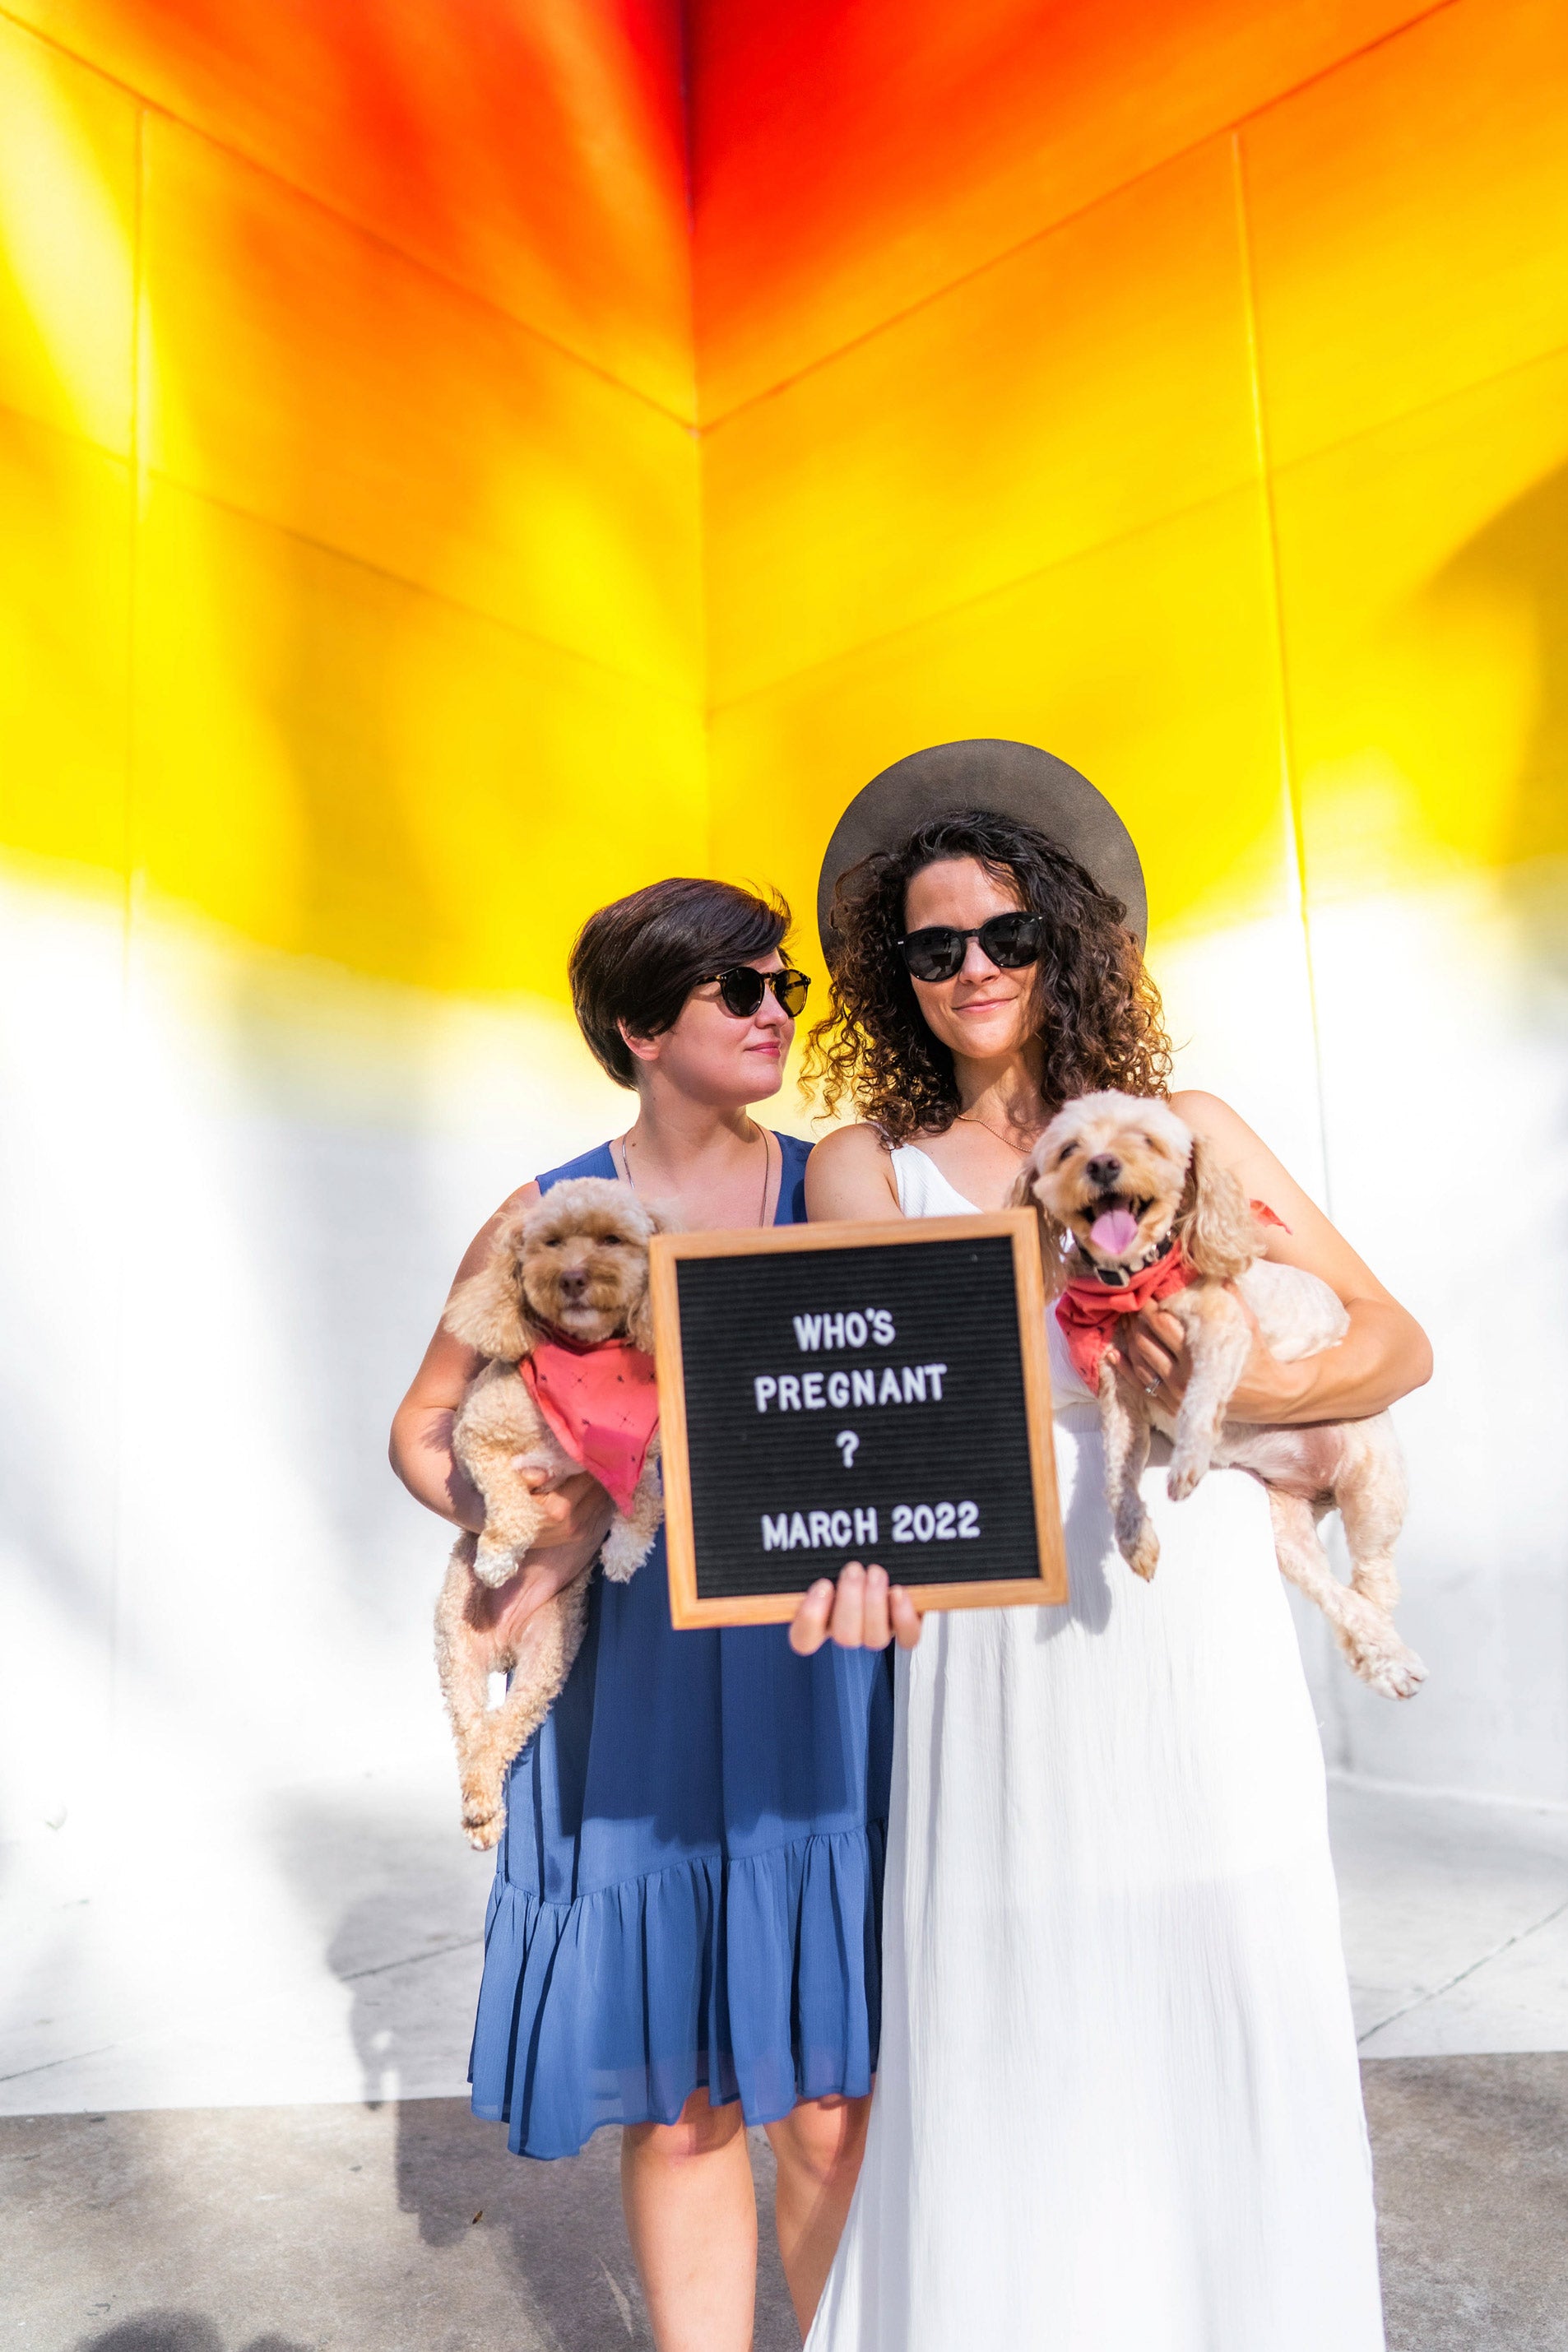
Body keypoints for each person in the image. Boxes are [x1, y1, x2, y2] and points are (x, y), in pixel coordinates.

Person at [790, 745, 1431, 2351]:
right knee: (1008, 2001)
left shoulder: (1189, 1128)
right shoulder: (869, 1163)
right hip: (984, 1635)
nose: (969, 971)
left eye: (1001, 932)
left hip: (1188, 1614)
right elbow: (866, 1402)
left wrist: (1253, 1385)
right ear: (892, 975)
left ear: (1060, 938)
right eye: (929, 948)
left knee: (1213, 1961)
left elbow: (1390, 1339)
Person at [391, 877, 894, 2350]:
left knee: (821, 2097)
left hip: (816, 1666)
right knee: (680, 2102)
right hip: (634, 1688)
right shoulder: (548, 1213)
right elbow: (424, 1422)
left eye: (784, 986)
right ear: (637, 1024)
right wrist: (512, 1516)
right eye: (737, 989)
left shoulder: (838, 1183)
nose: (774, 1013)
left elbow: (916, 1379)